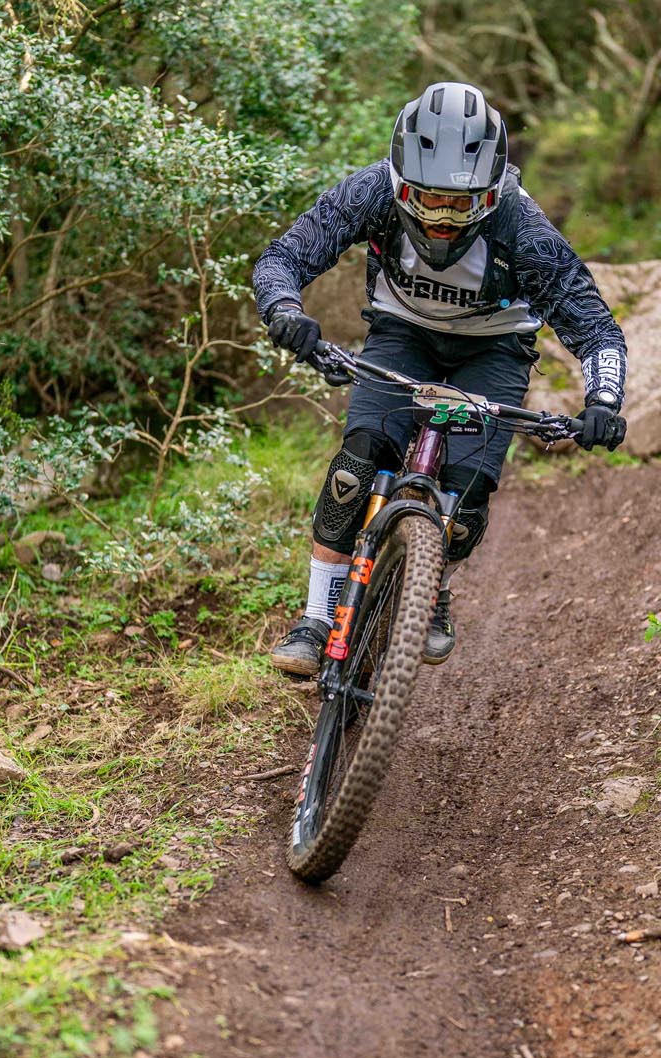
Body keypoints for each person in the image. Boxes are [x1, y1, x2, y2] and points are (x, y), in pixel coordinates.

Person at [254, 81, 628, 677]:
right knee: (356, 465)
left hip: (495, 348)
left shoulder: (522, 225)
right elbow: (284, 256)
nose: (441, 218)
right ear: (401, 180)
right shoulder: (372, 190)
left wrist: (603, 400)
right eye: (426, 198)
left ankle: (436, 583)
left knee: (467, 494)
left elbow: (597, 329)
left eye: (460, 204)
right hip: (402, 333)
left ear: (491, 191)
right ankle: (316, 617)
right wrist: (285, 311)